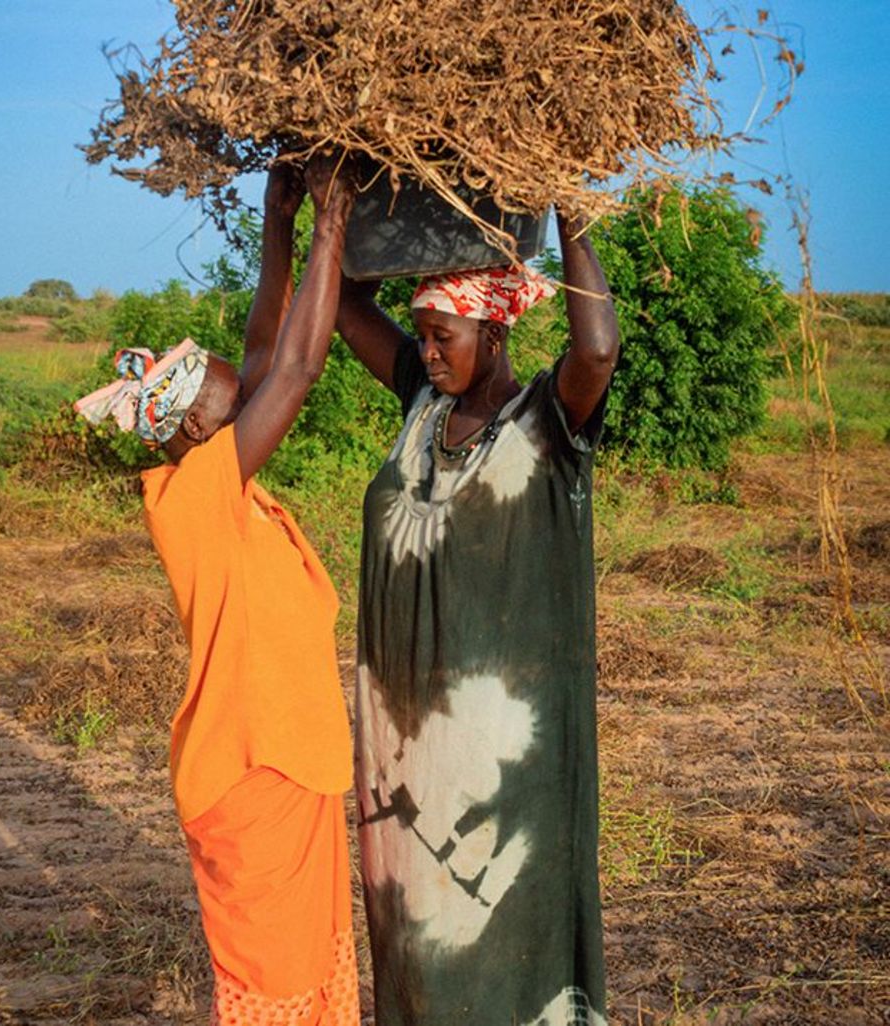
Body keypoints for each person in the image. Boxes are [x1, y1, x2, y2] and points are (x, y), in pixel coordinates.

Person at [75, 159, 360, 1026]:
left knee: (309, 974)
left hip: (288, 765)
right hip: (252, 775)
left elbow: (272, 355)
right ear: (197, 429)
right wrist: (333, 221)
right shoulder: (191, 499)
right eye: (226, 390)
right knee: (275, 988)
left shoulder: (229, 492)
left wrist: (279, 228)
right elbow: (298, 369)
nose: (246, 380)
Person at [335, 210, 619, 1025]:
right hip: (402, 744)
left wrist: (567, 207)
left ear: (493, 333)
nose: (426, 352)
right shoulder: (421, 404)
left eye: (442, 336)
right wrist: (369, 204)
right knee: (416, 929)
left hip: (499, 759)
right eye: (420, 336)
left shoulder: (546, 421)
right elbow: (347, 306)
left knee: (496, 919)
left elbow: (596, 349)